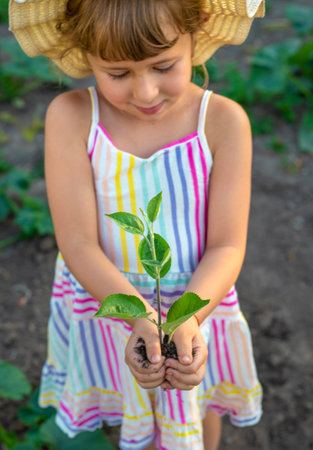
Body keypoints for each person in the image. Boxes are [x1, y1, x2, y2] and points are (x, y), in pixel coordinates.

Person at [9, 0, 265, 448]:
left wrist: (187, 319)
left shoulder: (223, 122)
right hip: (109, 301)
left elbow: (226, 245)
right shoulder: (72, 119)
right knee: (136, 417)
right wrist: (141, 318)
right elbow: (79, 241)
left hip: (196, 302)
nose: (145, 92)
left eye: (163, 66)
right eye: (118, 73)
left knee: (197, 405)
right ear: (82, 49)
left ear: (198, 27)